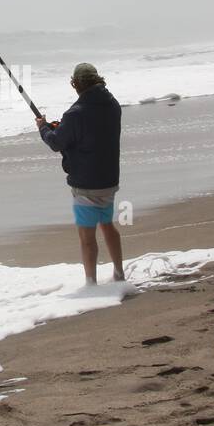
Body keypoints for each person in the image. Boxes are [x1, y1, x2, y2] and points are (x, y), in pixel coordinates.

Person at [35, 62, 124, 285]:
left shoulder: (75, 114)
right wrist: (60, 127)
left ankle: (91, 284)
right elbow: (91, 134)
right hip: (109, 179)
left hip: (86, 183)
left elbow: (56, 143)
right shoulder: (113, 105)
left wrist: (43, 128)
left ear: (76, 84)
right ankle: (119, 273)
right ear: (98, 80)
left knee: (87, 237)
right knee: (107, 225)